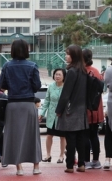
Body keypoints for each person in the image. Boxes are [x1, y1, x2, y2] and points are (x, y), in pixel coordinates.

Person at [0, 39, 42, 176]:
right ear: (26, 50)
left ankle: (19, 168)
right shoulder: (32, 65)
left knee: (15, 135)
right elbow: (37, 86)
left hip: (12, 105)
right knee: (33, 135)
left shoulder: (6, 66)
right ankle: (36, 167)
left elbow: (2, 85)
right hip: (29, 104)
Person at [55, 44, 88, 173]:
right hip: (82, 109)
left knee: (71, 138)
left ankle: (69, 165)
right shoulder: (83, 71)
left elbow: (66, 93)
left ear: (73, 56)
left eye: (68, 54)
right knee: (81, 138)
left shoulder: (72, 72)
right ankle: (81, 164)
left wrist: (59, 110)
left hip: (71, 109)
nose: (66, 56)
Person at [82, 49, 104, 169]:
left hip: (85, 107)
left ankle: (86, 161)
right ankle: (96, 160)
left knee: (85, 135)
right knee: (94, 135)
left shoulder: (81, 71)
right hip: (96, 107)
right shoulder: (96, 71)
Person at [40, 68, 67, 164]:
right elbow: (47, 101)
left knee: (62, 136)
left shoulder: (66, 87)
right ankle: (48, 155)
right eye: (56, 74)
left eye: (59, 74)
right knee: (49, 135)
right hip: (52, 115)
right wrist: (42, 113)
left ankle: (61, 155)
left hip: (62, 115)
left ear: (64, 76)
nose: (57, 76)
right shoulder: (51, 87)